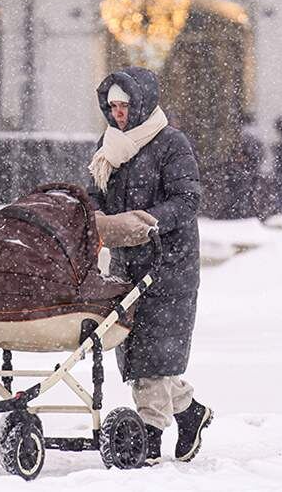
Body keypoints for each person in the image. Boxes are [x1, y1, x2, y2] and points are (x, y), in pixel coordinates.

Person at [87, 66, 212, 466]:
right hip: (126, 264)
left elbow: (187, 199)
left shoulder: (171, 144)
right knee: (137, 352)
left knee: (155, 353)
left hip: (169, 264)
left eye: (124, 106)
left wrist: (149, 222)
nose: (119, 114)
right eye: (113, 107)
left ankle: (151, 432)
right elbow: (95, 194)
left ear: (140, 103)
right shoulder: (109, 149)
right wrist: (92, 217)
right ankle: (190, 413)